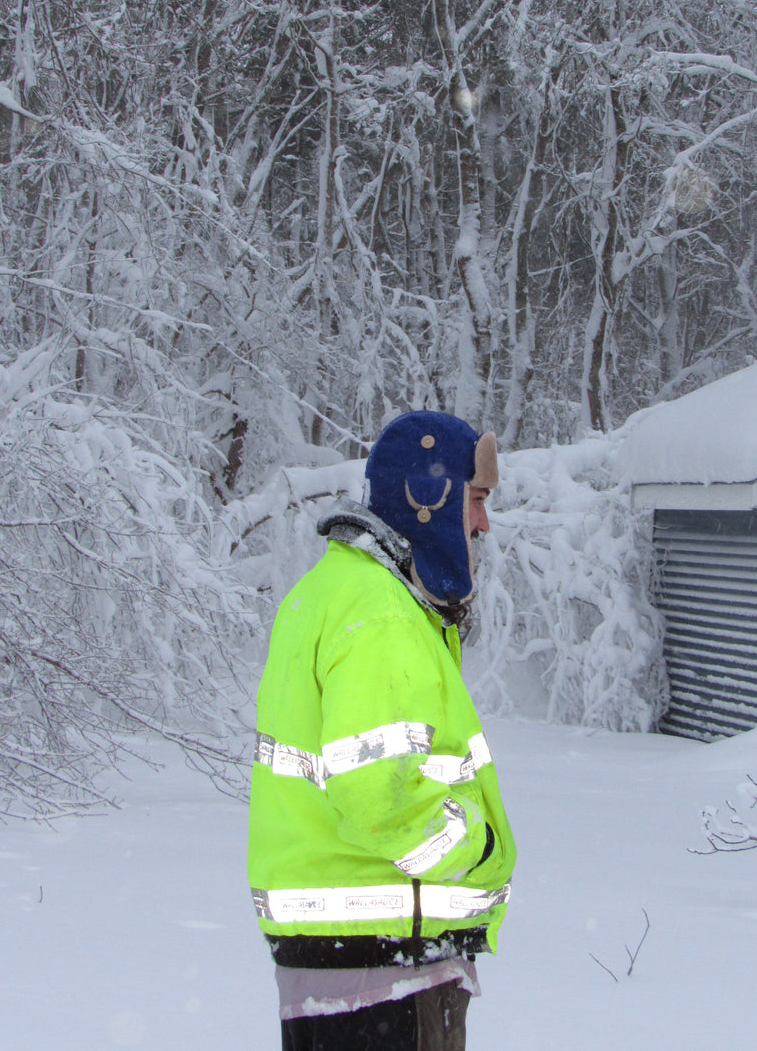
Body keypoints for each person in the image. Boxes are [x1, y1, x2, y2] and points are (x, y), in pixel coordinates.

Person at [248, 410, 517, 1051]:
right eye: (475, 501)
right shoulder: (384, 612)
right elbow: (376, 794)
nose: (481, 524)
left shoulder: (330, 591)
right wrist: (474, 847)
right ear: (431, 499)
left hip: (348, 964)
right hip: (390, 965)